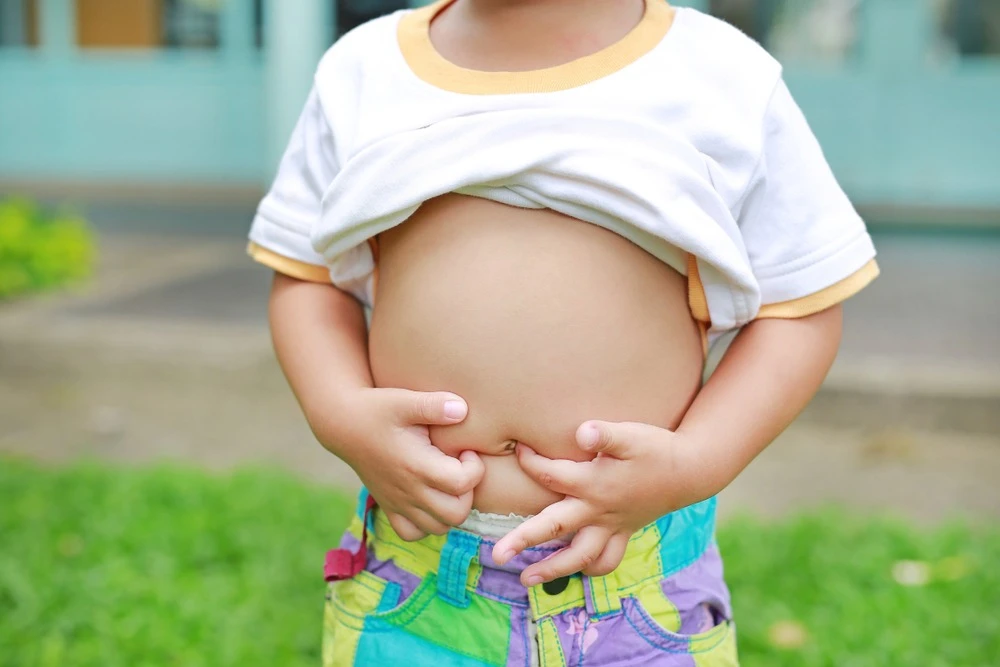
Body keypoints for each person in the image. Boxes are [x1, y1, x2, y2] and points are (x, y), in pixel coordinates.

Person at [247, 0, 879, 664]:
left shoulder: (723, 78)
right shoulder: (365, 71)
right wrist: (336, 409)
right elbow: (308, 278)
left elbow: (801, 306)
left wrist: (699, 460)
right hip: (419, 569)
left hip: (634, 578)